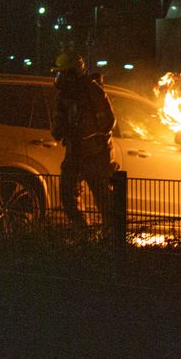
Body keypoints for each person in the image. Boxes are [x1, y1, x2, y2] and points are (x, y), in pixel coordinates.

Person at [50, 52, 118, 228]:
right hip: (74, 153)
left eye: (62, 73)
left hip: (97, 154)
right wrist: (59, 129)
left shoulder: (93, 91)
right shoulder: (64, 95)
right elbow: (58, 120)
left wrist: (83, 132)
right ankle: (83, 232)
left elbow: (108, 122)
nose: (59, 78)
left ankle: (111, 235)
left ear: (73, 73)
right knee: (68, 196)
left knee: (104, 199)